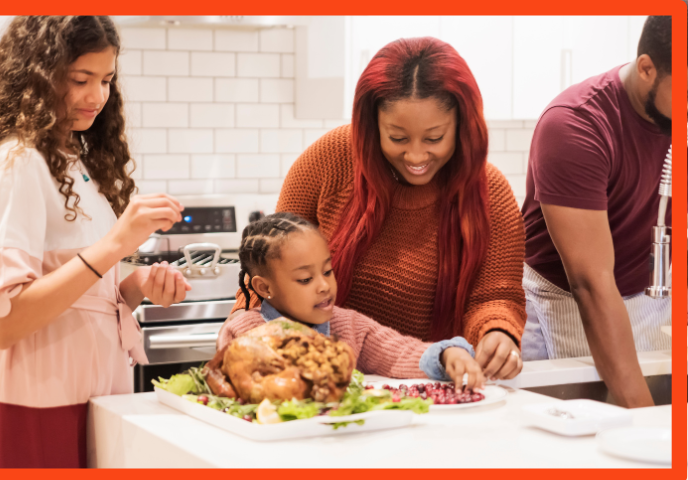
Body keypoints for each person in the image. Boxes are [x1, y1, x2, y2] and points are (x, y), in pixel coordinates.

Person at [226, 37, 527, 382]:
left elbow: (496, 296)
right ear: (372, 124)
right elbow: (270, 267)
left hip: (428, 383)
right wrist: (243, 325)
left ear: (462, 126)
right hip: (317, 380)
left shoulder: (491, 192)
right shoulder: (328, 161)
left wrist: (498, 335)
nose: (415, 156)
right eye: (398, 138)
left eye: (433, 138)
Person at [0, 16, 190, 468]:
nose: (97, 97)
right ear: (36, 76)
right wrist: (115, 244)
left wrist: (134, 289)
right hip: (39, 398)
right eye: (80, 79)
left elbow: (78, 299)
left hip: (98, 392)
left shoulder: (78, 163)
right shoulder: (18, 163)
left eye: (107, 80)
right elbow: (6, 324)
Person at [520, 16, 675, 408]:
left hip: (645, 293)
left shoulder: (675, 114)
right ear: (646, 68)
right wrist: (646, 421)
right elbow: (590, 282)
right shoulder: (575, 126)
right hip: (571, 300)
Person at [219, 213, 486, 392]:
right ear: (265, 288)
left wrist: (446, 355)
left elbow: (400, 353)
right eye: (304, 279)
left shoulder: (348, 325)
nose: (324, 286)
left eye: (327, 272)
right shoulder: (245, 331)